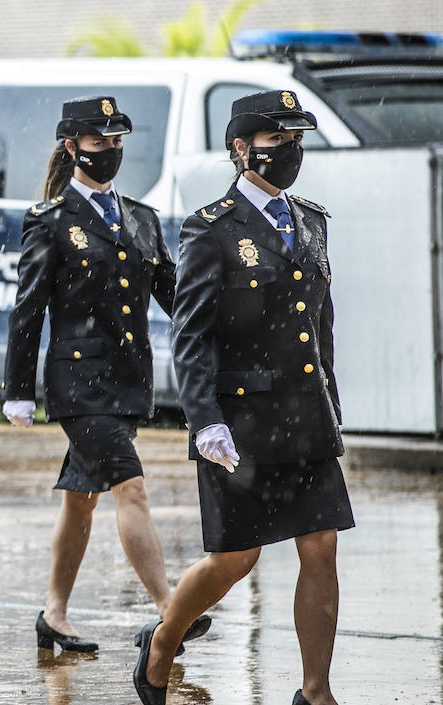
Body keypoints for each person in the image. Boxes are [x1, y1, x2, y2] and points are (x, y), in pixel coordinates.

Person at [135, 89, 354, 705]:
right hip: (242, 421)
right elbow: (191, 331)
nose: (290, 152)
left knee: (322, 546)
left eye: (296, 141)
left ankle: (315, 692)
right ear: (241, 148)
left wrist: (330, 399)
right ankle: (163, 640)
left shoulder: (310, 220)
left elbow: (320, 324)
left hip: (305, 416)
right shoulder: (210, 229)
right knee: (236, 560)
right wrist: (204, 420)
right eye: (277, 141)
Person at [2, 96, 210, 654]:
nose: (111, 151)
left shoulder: (140, 218)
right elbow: (28, 310)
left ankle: (55, 613)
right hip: (78, 384)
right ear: (72, 147)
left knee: (81, 497)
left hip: (126, 382)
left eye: (118, 142)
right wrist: (17, 390)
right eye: (100, 142)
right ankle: (171, 610)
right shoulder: (50, 221)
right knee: (131, 487)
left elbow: (175, 296)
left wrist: (220, 329)